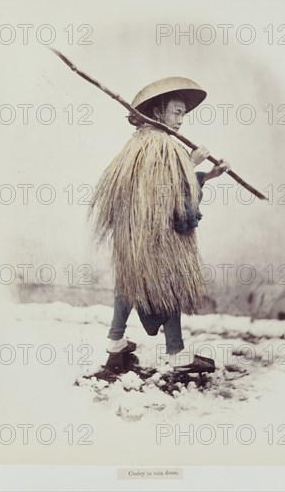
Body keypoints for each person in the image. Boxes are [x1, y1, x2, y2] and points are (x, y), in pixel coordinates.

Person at [88, 78, 230, 373]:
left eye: (183, 114)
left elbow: (167, 181)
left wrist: (209, 174)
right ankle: (176, 353)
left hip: (137, 232)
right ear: (158, 111)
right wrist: (190, 162)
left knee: (131, 282)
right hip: (154, 233)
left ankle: (116, 345)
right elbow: (163, 186)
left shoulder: (143, 141)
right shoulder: (158, 142)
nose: (180, 120)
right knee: (168, 282)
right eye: (176, 112)